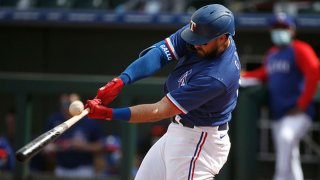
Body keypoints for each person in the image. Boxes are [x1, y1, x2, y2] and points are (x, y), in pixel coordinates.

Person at [85, 4, 240, 179]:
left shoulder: (217, 76)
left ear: (222, 38)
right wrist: (121, 80)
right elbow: (159, 54)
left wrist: (109, 114)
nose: (196, 44)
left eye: (202, 41)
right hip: (179, 130)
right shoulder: (204, 32)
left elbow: (159, 110)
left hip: (200, 142)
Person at [241, 13, 320, 180]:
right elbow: (262, 74)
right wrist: (242, 75)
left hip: (297, 112)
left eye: (283, 27)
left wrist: (302, 104)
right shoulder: (272, 54)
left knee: (286, 138)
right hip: (278, 113)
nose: (279, 31)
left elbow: (314, 73)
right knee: (290, 154)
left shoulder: (300, 49)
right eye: (276, 27)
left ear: (292, 30)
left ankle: (278, 177)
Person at [44, 93, 105, 178]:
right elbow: (46, 145)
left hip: (83, 169)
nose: (68, 106)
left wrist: (84, 146)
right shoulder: (54, 119)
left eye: (71, 103)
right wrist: (51, 147)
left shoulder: (90, 121)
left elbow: (100, 146)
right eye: (65, 103)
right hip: (61, 168)